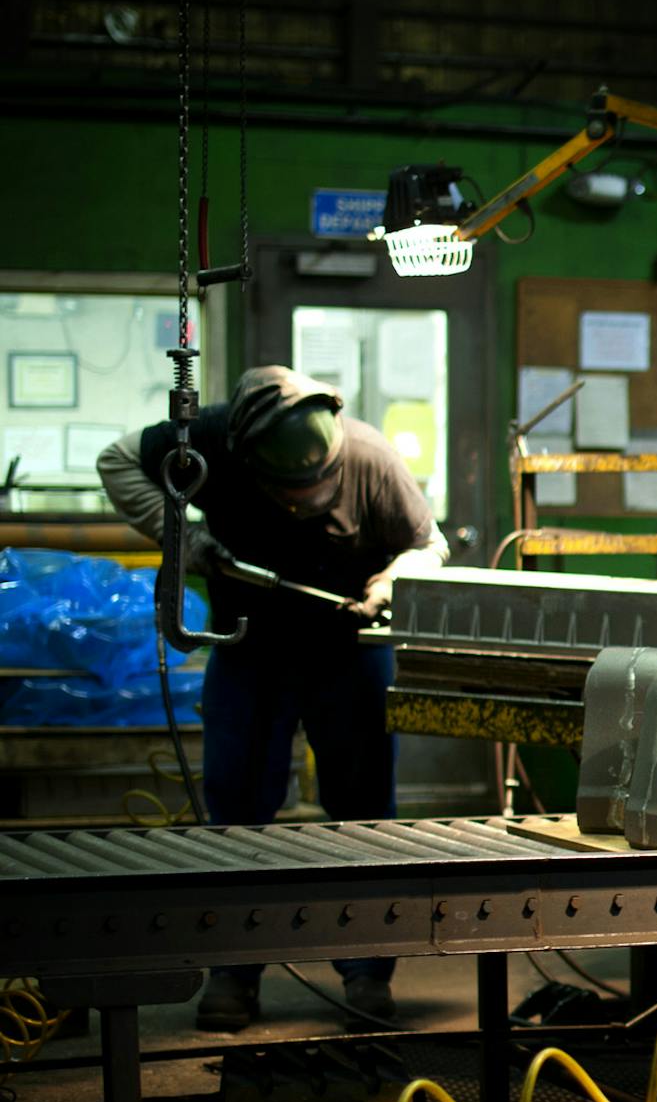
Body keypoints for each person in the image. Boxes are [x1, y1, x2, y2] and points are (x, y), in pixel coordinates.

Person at [99, 366, 448, 1031]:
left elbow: (427, 546)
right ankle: (234, 974)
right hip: (248, 646)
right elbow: (116, 462)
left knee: (365, 813)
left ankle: (368, 975)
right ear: (246, 454)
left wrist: (390, 584)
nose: (306, 501)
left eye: (319, 489)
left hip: (350, 651)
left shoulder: (370, 457)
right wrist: (186, 540)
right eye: (292, 492)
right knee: (236, 812)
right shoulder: (208, 440)